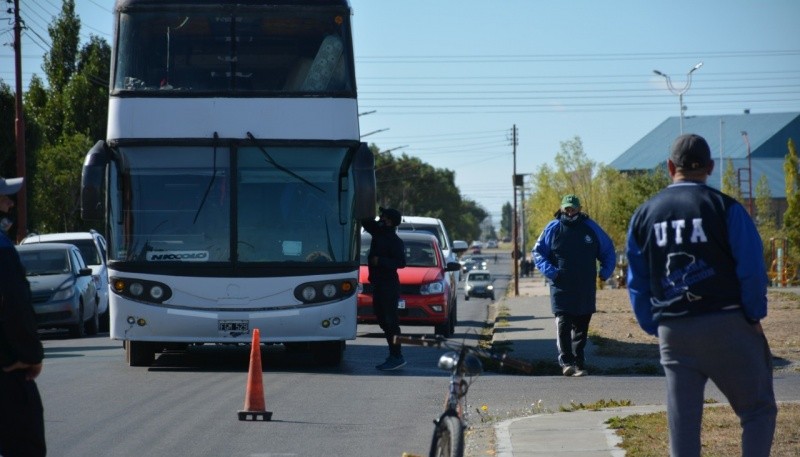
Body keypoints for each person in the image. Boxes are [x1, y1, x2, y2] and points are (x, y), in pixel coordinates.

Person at [626, 133, 776, 457]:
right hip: (728, 321)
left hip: (674, 329)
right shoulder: (726, 208)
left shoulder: (644, 215)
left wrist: (655, 325)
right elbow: (751, 269)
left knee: (683, 427)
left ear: (670, 167)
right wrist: (753, 315)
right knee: (757, 410)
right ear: (710, 167)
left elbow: (637, 281)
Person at [532, 194, 615, 377]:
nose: (570, 212)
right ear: (562, 209)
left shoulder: (591, 228)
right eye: (567, 208)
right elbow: (538, 253)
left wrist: (605, 272)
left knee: (581, 326)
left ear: (579, 208)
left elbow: (608, 250)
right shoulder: (553, 228)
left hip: (585, 286)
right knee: (563, 323)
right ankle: (566, 362)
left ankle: (580, 363)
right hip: (561, 286)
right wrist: (552, 272)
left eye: (573, 208)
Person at [0, 176, 47, 457]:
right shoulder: (3, 251)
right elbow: (16, 307)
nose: (10, 203)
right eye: (4, 198)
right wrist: (30, 356)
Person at [361, 207, 406, 371]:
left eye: (384, 217)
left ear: (391, 221)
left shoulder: (395, 241)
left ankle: (397, 355)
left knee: (390, 321)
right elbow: (366, 222)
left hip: (389, 285)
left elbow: (401, 262)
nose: (380, 219)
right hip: (379, 284)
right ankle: (394, 354)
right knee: (382, 319)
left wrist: (380, 261)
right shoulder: (378, 233)